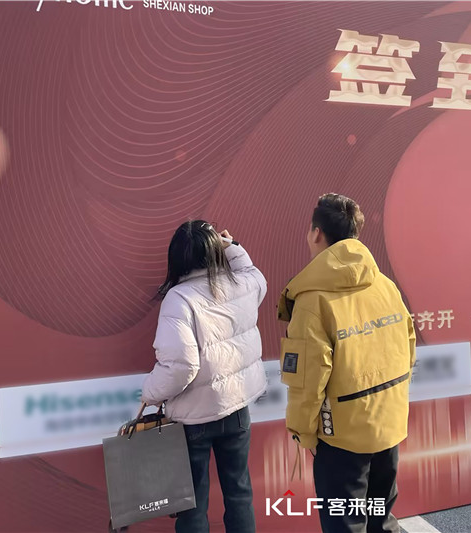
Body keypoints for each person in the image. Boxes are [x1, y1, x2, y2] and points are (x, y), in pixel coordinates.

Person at [278, 194, 417, 533]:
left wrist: (304, 435)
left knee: (345, 525)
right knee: (381, 520)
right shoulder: (385, 285)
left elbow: (307, 382)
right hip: (388, 424)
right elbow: (408, 347)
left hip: (341, 439)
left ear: (316, 233)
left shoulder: (312, 301)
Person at [142, 220, 267, 533]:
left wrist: (150, 393)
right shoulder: (241, 284)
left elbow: (182, 366)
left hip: (193, 418)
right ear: (214, 252)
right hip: (237, 409)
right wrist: (232, 246)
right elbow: (256, 276)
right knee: (239, 493)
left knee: (192, 503)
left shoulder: (179, 298)